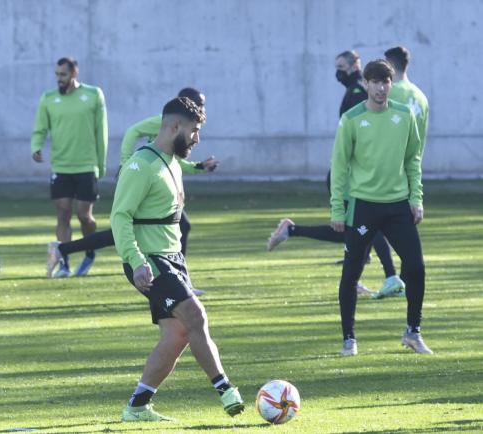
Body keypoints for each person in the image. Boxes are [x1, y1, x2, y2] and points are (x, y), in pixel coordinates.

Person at [111, 97, 244, 422]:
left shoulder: (170, 159)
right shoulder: (141, 165)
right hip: (150, 260)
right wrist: (136, 260)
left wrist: (198, 166)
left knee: (177, 334)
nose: (197, 139)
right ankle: (226, 390)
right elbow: (119, 216)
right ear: (174, 127)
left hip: (172, 258)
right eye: (194, 131)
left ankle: (137, 407)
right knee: (195, 317)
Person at [267, 50, 403, 297]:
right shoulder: (355, 95)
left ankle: (294, 232)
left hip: (355, 175)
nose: (337, 71)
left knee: (360, 229)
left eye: (341, 66)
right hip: (350, 176)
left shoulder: (357, 94)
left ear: (354, 66)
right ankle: (389, 277)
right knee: (366, 227)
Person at [46, 88, 218, 278]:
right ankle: (176, 276)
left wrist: (198, 167)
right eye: (198, 103)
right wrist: (126, 162)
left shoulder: (185, 129)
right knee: (135, 226)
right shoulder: (170, 122)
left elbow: (172, 161)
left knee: (126, 231)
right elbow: (133, 131)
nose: (202, 107)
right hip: (149, 183)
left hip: (158, 185)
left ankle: (63, 249)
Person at [330, 59, 432, 356]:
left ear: (391, 84)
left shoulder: (404, 115)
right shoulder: (351, 119)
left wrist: (416, 198)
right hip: (363, 206)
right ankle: (349, 338)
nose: (381, 87)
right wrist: (338, 209)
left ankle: (413, 332)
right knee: (352, 273)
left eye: (386, 81)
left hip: (398, 206)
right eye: (375, 82)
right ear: (366, 84)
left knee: (416, 267)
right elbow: (339, 167)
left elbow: (413, 159)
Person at [31, 57, 108, 278]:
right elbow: (40, 128)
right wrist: (36, 147)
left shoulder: (93, 95)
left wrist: (100, 166)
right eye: (56, 75)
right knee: (63, 213)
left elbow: (101, 132)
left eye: (62, 75)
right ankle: (64, 263)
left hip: (86, 166)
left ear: (74, 74)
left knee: (85, 216)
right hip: (61, 166)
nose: (59, 79)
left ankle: (89, 252)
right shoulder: (48, 98)